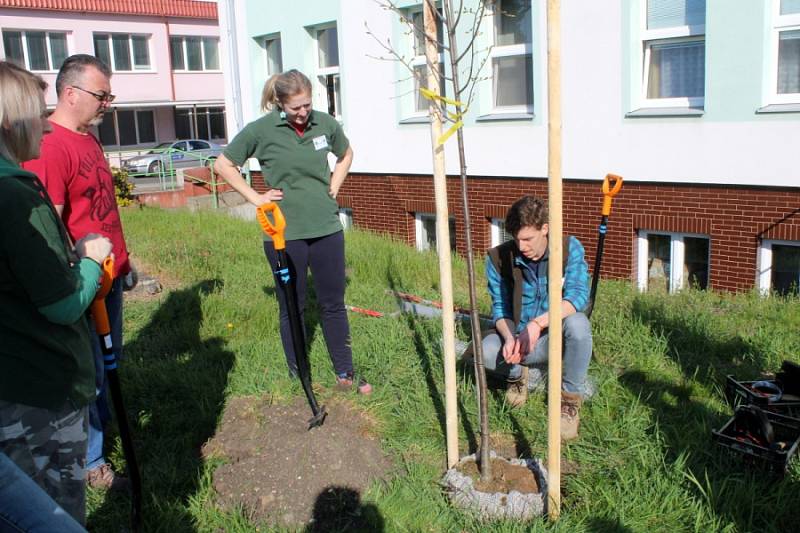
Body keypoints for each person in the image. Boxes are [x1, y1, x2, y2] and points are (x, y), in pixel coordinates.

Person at [0, 60, 112, 524]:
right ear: (9, 123)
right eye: (34, 114)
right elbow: (63, 303)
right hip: (41, 385)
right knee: (53, 511)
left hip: (15, 375)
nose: (43, 128)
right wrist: (89, 259)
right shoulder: (15, 195)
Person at [214, 69, 371, 393]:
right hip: (283, 233)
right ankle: (298, 374)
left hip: (326, 227)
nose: (303, 113)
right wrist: (257, 198)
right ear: (280, 102)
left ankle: (345, 372)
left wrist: (334, 186)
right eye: (296, 107)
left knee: (332, 303)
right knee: (292, 306)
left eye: (307, 105)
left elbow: (346, 154)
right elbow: (224, 164)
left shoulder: (325, 123)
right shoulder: (262, 130)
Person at [22, 54, 131, 490]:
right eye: (101, 95)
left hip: (111, 274)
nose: (107, 103)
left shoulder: (88, 139)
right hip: (85, 283)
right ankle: (91, 461)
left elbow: (101, 210)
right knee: (87, 372)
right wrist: (79, 279)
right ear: (70, 93)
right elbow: (54, 226)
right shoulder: (50, 145)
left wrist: (124, 262)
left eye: (109, 95)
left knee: (108, 363)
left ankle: (104, 431)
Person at [481, 195, 592, 441]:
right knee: (486, 350)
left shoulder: (568, 249)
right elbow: (500, 308)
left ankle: (569, 402)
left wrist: (537, 324)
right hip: (519, 341)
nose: (521, 247)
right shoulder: (499, 259)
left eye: (528, 239)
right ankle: (516, 376)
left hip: (553, 338)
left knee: (579, 325)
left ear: (545, 228)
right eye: (516, 239)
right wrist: (510, 338)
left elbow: (577, 297)